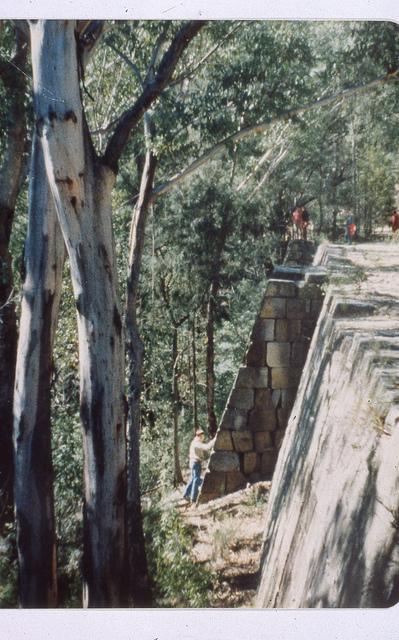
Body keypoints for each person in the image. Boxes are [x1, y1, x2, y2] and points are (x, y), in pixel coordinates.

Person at [183, 429, 216, 504]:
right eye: (202, 435)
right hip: (195, 462)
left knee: (193, 479)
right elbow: (207, 447)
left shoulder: (194, 442)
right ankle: (193, 498)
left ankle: (186, 495)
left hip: (193, 462)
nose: (203, 437)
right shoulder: (197, 443)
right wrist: (214, 440)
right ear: (200, 436)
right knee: (196, 480)